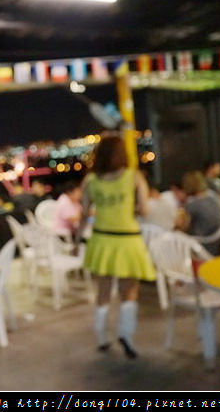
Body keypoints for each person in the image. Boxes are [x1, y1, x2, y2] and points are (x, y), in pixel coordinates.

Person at [74, 134, 156, 359]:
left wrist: (76, 241)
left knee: (103, 292)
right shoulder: (134, 177)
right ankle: (126, 335)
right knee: (129, 290)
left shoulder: (90, 181)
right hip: (127, 238)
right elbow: (145, 210)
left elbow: (83, 214)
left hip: (101, 239)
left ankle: (101, 336)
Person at [178, 171, 220, 256]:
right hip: (217, 244)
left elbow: (181, 227)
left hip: (201, 247)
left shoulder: (192, 205)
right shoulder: (212, 198)